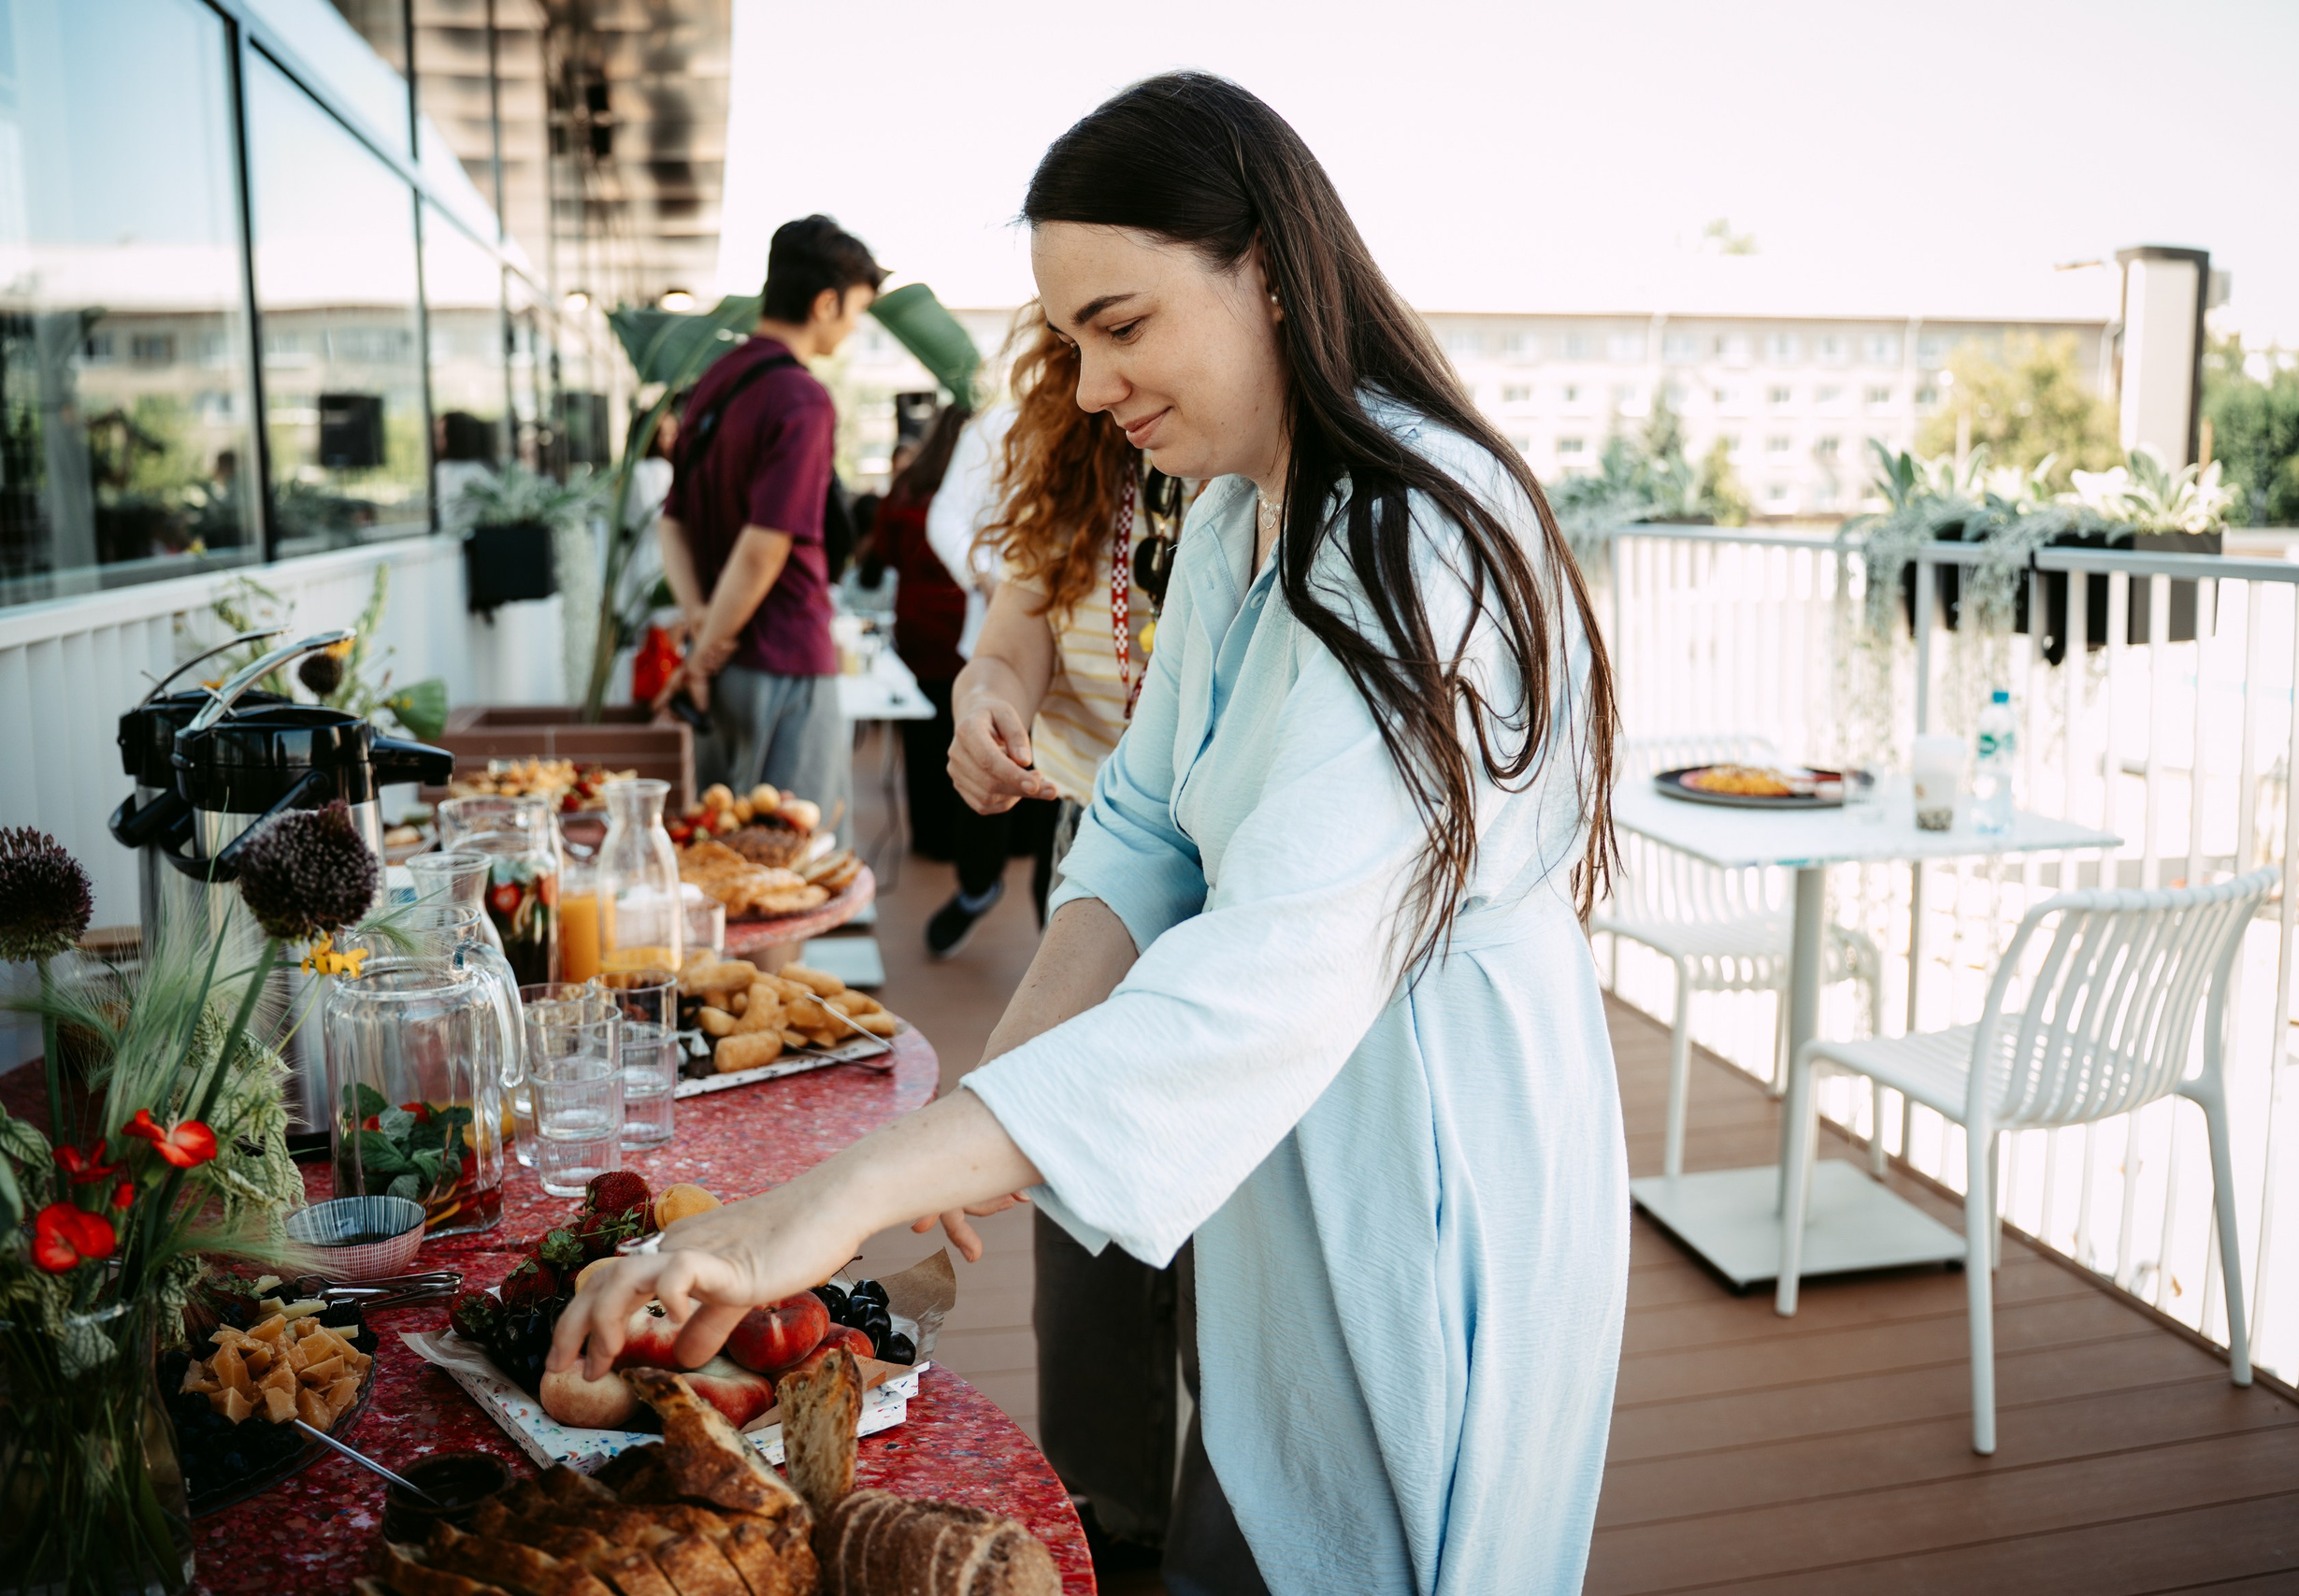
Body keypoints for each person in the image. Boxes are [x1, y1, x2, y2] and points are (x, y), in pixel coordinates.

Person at [555, 72, 1625, 1596]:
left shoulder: (1408, 540)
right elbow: (1135, 837)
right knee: (1248, 1486)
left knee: (1355, 1532)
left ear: (1268, 265)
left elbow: (1253, 984)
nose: (1095, 382)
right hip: (1283, 1107)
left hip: (1419, 1135)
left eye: (1122, 326)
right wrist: (965, 1127)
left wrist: (836, 1199)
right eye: (1071, 341)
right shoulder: (1248, 512)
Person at [944, 310, 1187, 1564]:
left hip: (1260, 887)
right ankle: (1105, 1520)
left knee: (1236, 1220)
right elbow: (1010, 640)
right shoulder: (1084, 440)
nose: (1105, 369)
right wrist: (987, 701)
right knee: (1082, 1188)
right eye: (1082, 328)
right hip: (1097, 855)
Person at [658, 215, 885, 846]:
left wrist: (703, 624)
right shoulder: (801, 397)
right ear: (825, 302)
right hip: (784, 657)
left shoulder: (713, 382)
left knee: (726, 852)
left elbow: (670, 523)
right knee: (790, 862)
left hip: (724, 665)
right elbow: (765, 548)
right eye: (854, 311)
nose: (850, 327)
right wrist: (704, 651)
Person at [856, 401, 1056, 951]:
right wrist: (988, 578)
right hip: (1001, 640)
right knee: (991, 768)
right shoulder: (1001, 423)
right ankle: (976, 885)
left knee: (1061, 820)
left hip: (1101, 676)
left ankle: (1051, 948)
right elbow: (946, 517)